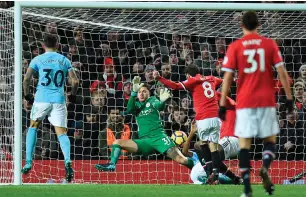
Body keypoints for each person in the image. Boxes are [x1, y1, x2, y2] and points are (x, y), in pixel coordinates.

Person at [219, 11, 293, 197]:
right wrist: (290, 99)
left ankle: (246, 189)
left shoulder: (235, 46)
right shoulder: (269, 44)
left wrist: (222, 104)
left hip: (245, 102)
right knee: (269, 141)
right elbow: (282, 73)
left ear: (241, 25)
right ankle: (265, 166)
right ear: (259, 25)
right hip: (266, 101)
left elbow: (227, 77)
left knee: (244, 144)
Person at [94, 76, 195, 172]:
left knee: (182, 160)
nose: (141, 94)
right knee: (117, 142)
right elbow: (129, 109)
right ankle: (112, 165)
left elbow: (159, 106)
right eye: (139, 92)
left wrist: (162, 102)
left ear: (149, 93)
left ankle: (200, 168)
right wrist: (133, 92)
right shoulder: (136, 105)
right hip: (144, 142)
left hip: (159, 138)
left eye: (144, 91)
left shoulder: (152, 100)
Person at [22, 34, 79, 182]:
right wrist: (72, 95)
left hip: (41, 99)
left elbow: (27, 78)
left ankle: (28, 161)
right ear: (58, 45)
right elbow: (75, 81)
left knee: (33, 127)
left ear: (42, 45)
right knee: (62, 133)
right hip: (58, 100)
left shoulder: (37, 59)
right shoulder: (64, 60)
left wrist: (27, 94)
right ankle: (67, 161)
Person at [153, 64, 222, 183]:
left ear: (188, 75)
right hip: (216, 117)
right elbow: (223, 81)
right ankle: (215, 173)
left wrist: (160, 78)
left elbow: (174, 86)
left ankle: (209, 171)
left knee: (204, 144)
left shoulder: (192, 80)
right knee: (214, 147)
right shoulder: (212, 78)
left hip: (203, 117)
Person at [182, 120, 240, 185]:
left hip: (211, 172)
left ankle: (213, 177)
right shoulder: (195, 155)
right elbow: (184, 152)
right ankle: (214, 177)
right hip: (203, 173)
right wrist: (192, 132)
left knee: (212, 155)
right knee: (211, 156)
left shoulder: (205, 148)